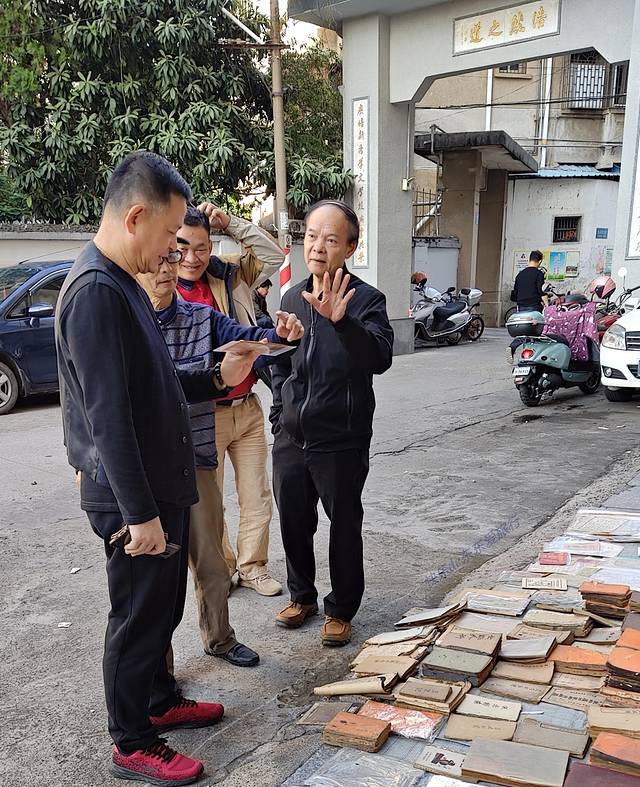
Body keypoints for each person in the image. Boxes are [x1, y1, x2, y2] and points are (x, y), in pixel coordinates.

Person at [55, 151, 261, 786]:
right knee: (137, 617)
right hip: (132, 496)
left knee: (163, 607)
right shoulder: (96, 292)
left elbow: (156, 381)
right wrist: (140, 514)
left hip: (158, 483)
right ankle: (133, 739)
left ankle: (160, 699)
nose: (174, 249)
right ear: (135, 217)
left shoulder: (123, 282)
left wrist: (214, 378)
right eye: (170, 233)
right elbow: (109, 416)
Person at [137, 256, 302, 668]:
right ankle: (159, 671)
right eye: (157, 260)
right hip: (143, 469)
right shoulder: (128, 323)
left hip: (196, 455)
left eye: (171, 259)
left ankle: (220, 637)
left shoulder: (200, 316)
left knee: (211, 560)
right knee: (156, 577)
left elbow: (246, 336)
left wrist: (278, 334)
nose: (166, 269)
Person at [269, 200, 394, 647]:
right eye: (311, 236)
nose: (317, 247)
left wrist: (343, 324)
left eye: (330, 239)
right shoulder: (291, 297)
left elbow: (380, 357)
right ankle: (301, 596)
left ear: (350, 247)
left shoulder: (367, 300)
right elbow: (281, 361)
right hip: (292, 436)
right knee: (292, 521)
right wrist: (280, 413)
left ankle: (341, 608)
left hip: (341, 438)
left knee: (343, 525)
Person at [176, 206, 283, 596]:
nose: (192, 258)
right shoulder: (162, 288)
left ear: (211, 246)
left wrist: (230, 224)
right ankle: (221, 569)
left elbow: (273, 255)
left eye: (201, 248)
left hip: (247, 406)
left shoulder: (229, 275)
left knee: (257, 494)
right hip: (203, 414)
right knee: (210, 502)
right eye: (182, 247)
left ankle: (253, 566)